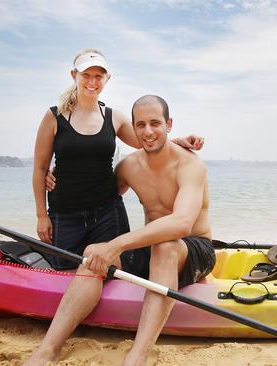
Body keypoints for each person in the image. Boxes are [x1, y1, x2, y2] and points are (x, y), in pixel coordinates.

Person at [25, 95, 216, 366]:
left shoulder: (190, 164)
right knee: (92, 255)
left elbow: (181, 223)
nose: (148, 132)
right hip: (154, 251)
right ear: (134, 130)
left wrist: (117, 244)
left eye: (155, 123)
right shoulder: (129, 167)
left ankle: (137, 356)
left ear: (169, 124)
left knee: (164, 246)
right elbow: (97, 194)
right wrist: (56, 178)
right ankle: (47, 350)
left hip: (195, 248)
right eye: (141, 125)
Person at [33, 49, 203, 270]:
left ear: (107, 79)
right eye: (86, 75)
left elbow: (148, 140)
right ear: (74, 75)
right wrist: (40, 216)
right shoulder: (54, 117)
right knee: (64, 268)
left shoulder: (114, 118)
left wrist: (179, 140)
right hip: (65, 213)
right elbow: (39, 168)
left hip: (107, 211)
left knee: (111, 269)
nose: (92, 82)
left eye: (98, 76)